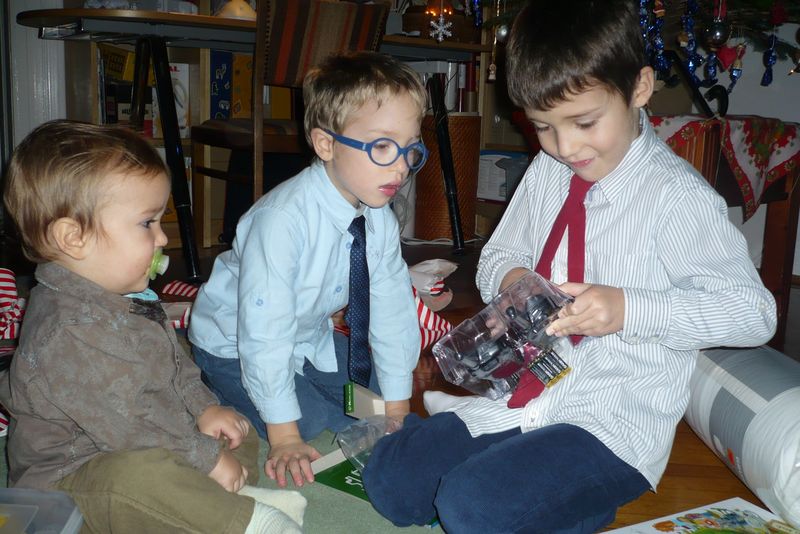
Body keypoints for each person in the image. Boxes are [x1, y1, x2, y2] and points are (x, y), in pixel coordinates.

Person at [362, 1, 777, 532]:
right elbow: (498, 256)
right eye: (543, 126)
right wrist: (514, 281)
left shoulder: (678, 199)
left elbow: (753, 314)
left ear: (639, 87)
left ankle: (578, 500)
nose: (565, 146)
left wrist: (628, 309)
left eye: (584, 122)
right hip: (521, 396)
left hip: (609, 423)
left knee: (470, 507)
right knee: (391, 482)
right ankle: (526, 484)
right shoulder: (549, 170)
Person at [1, 120, 307, 533]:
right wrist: (203, 457)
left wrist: (205, 408)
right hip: (75, 482)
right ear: (73, 238)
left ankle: (208, 504)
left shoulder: (127, 298)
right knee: (138, 478)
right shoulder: (67, 331)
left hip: (150, 438)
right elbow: (130, 426)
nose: (162, 239)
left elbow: (176, 366)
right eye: (147, 223)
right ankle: (240, 519)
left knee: (235, 427)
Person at [188, 51, 426, 489]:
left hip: (306, 334)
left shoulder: (379, 217)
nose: (401, 166)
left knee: (377, 395)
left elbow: (393, 312)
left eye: (411, 149)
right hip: (234, 341)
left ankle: (301, 395)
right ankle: (202, 391)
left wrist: (396, 412)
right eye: (382, 147)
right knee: (309, 421)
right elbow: (264, 333)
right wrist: (284, 437)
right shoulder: (282, 222)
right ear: (325, 144)